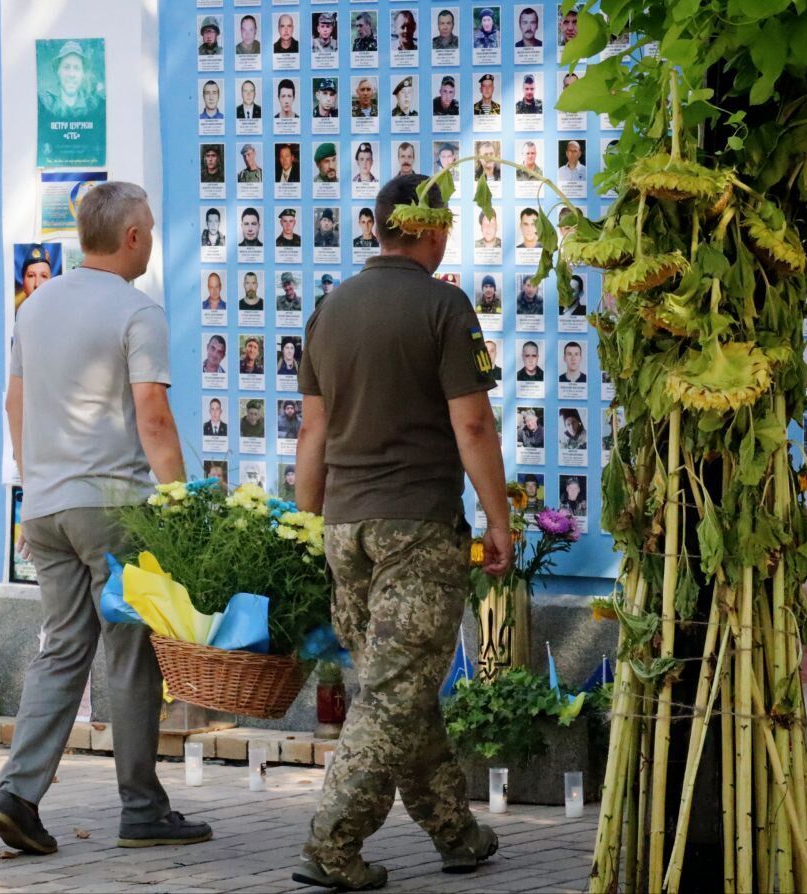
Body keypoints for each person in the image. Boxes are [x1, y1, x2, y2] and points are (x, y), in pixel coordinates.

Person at [292, 174, 506, 890]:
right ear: (432, 230)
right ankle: (332, 847)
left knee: (398, 690)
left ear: (378, 229)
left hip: (345, 528)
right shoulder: (444, 306)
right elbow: (472, 423)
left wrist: (307, 521)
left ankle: (456, 832)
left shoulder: (329, 310)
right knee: (392, 697)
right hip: (416, 528)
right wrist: (498, 519)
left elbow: (312, 433)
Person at [0, 182, 210, 854]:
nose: (151, 234)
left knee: (61, 650)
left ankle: (17, 796)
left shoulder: (37, 306)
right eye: (148, 224)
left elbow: (13, 406)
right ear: (133, 237)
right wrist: (180, 507)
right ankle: (141, 808)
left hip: (47, 507)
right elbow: (153, 417)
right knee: (131, 655)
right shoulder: (138, 312)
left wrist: (36, 490)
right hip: (113, 507)